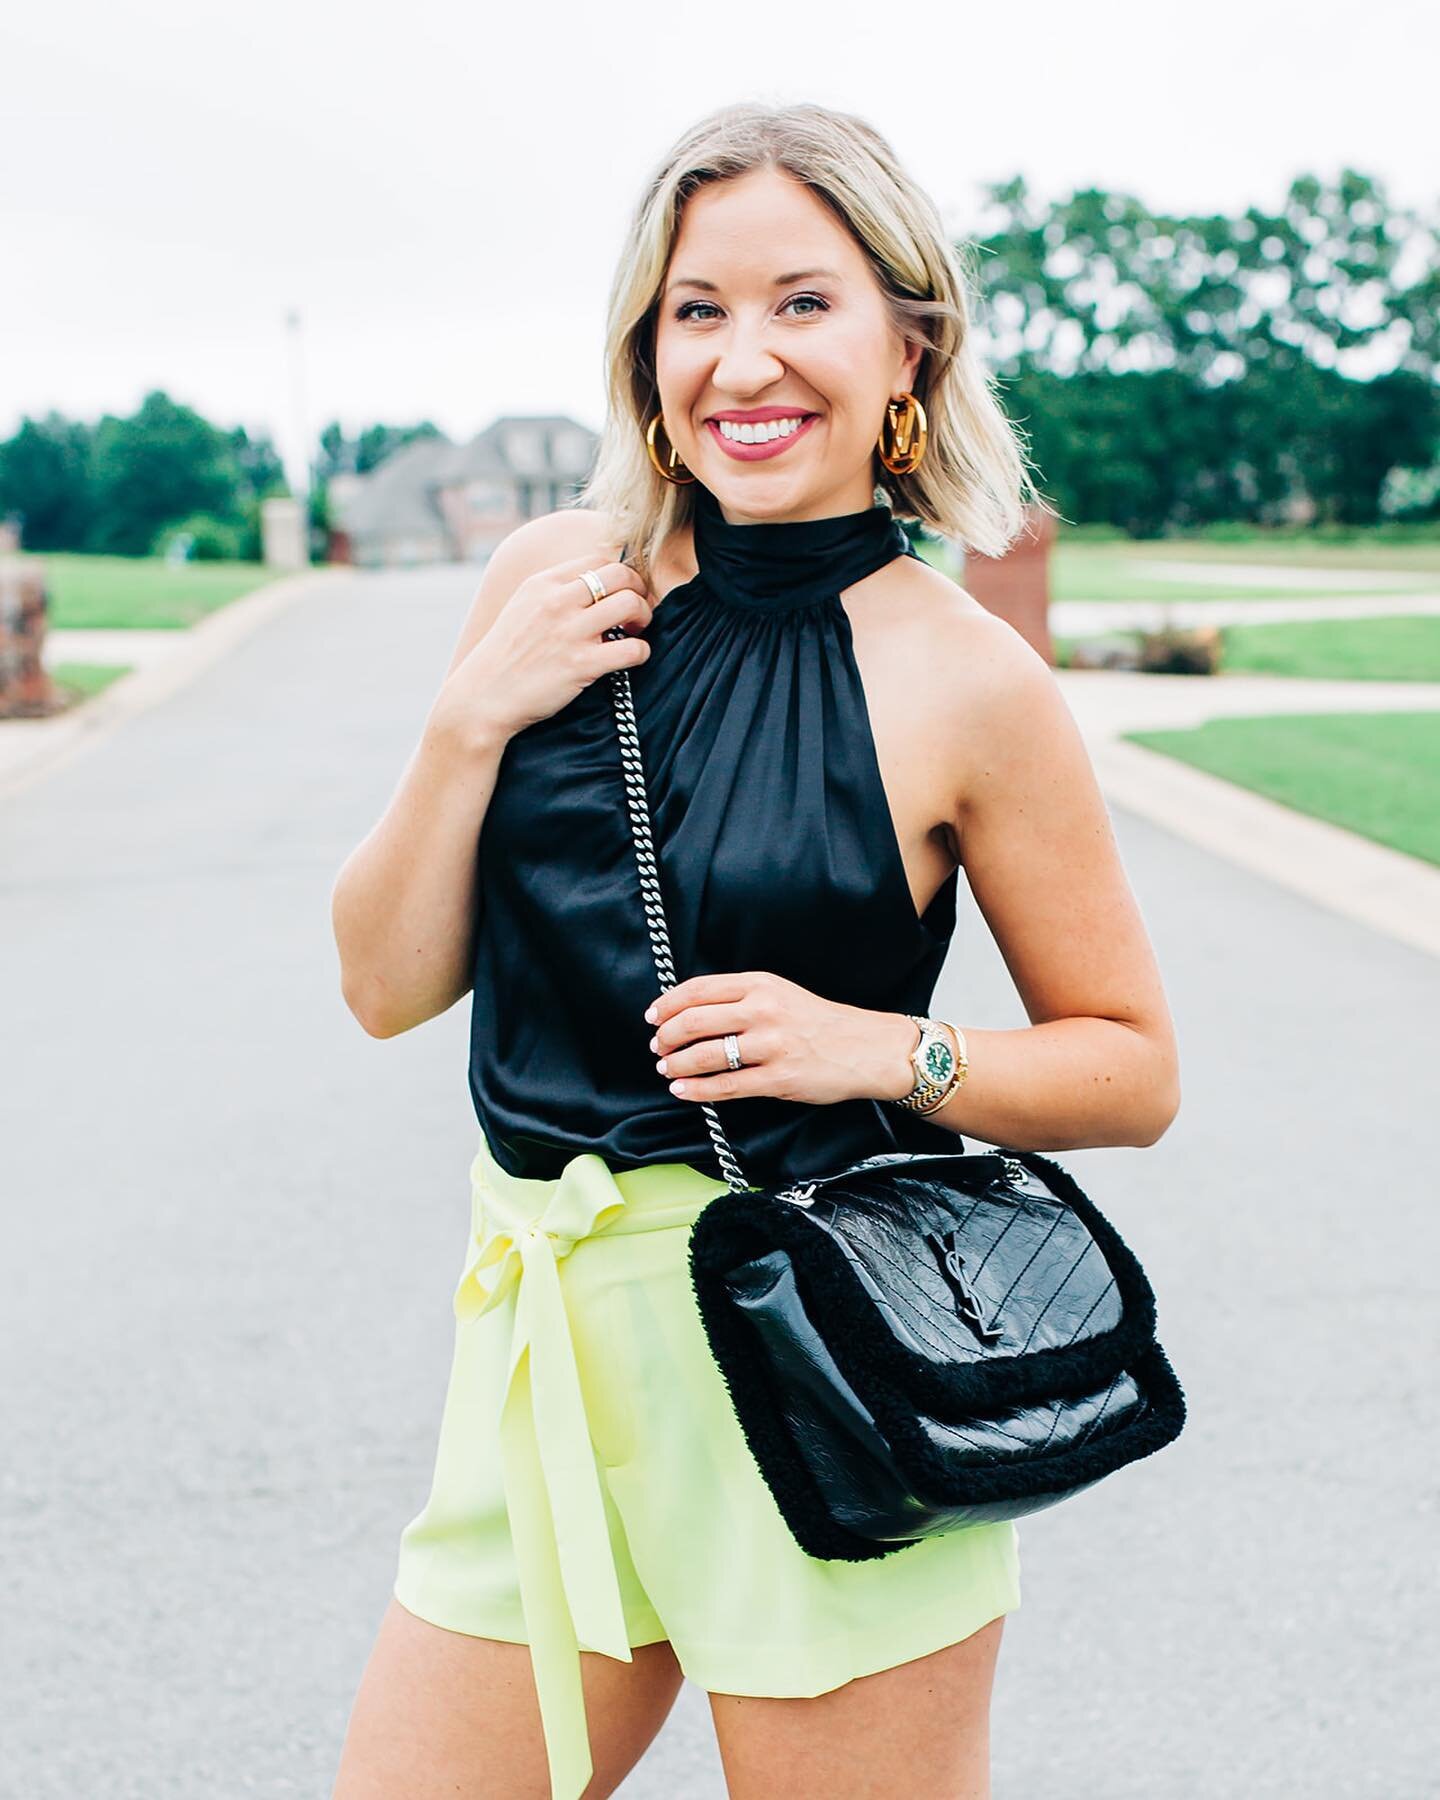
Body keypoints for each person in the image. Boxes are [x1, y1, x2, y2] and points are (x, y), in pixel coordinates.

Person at [329, 100, 1180, 1800]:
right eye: (697, 310)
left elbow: (1132, 1066)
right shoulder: (551, 579)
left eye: (804, 301)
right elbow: (383, 986)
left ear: (905, 342)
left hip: (813, 1364)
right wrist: (465, 724)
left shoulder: (966, 679)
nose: (743, 359)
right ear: (646, 352)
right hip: (543, 1375)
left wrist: (886, 1051)